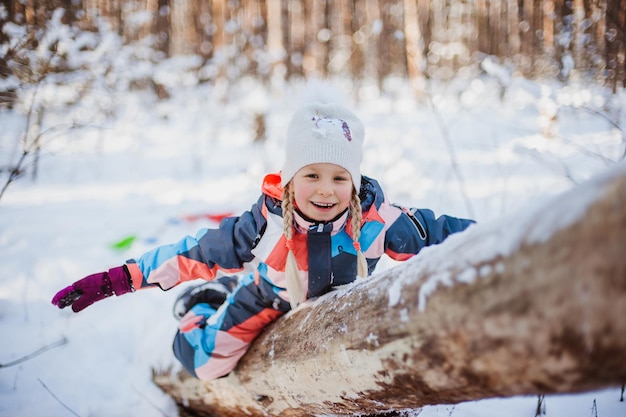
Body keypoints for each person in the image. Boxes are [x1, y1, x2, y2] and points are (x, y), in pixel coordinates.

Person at [52, 97, 474, 381]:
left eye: (339, 178)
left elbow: (442, 233)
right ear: (290, 181)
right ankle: (204, 303)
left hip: (345, 305)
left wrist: (517, 242)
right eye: (311, 175)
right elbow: (192, 252)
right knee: (207, 365)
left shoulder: (376, 221)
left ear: (355, 180)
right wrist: (116, 279)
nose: (326, 190)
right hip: (268, 298)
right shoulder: (264, 225)